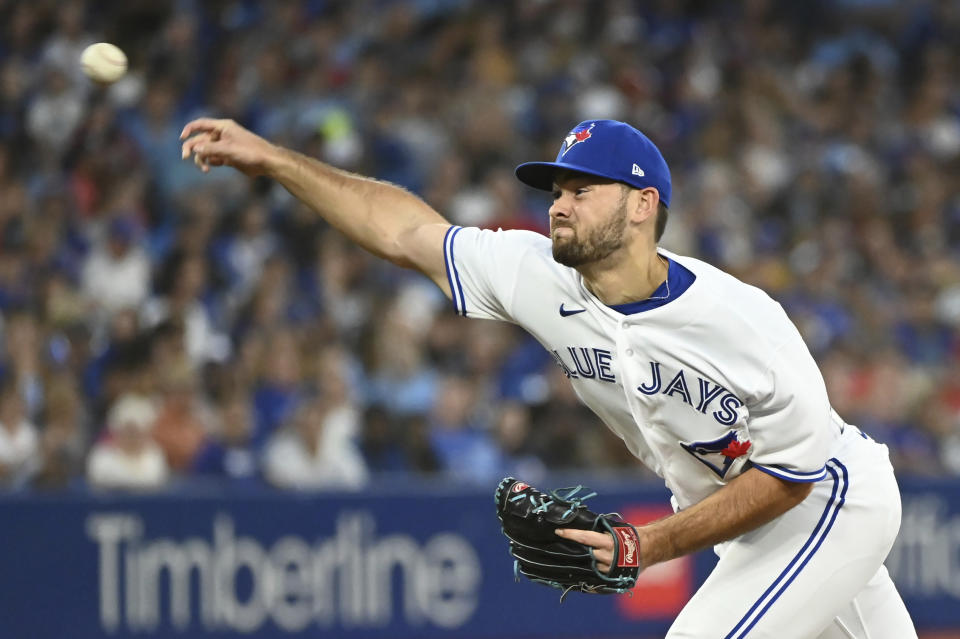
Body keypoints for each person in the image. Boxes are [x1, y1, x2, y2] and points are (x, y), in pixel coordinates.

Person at [180, 117, 917, 638]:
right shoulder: (534, 273)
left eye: (582, 188)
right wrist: (276, 160)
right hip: (753, 531)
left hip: (827, 499)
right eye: (556, 188)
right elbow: (402, 231)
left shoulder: (740, 319)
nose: (558, 202)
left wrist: (648, 545)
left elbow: (792, 474)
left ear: (641, 205)